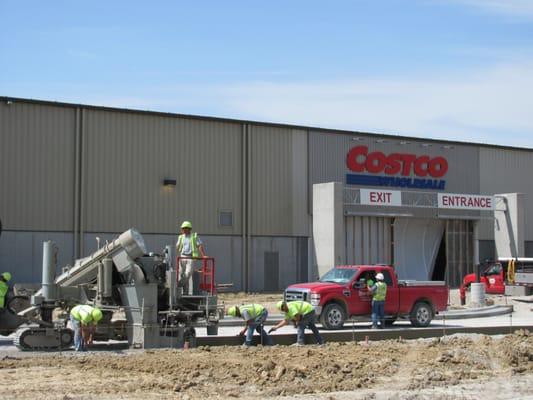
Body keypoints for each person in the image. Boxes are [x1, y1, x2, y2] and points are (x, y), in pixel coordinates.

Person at [176, 220, 207, 295]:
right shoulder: (181, 237)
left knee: (188, 273)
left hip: (190, 257)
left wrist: (203, 255)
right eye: (183, 228)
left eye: (186, 228)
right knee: (181, 274)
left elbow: (199, 245)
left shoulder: (194, 236)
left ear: (189, 229)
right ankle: (184, 292)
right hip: (182, 257)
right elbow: (177, 247)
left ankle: (177, 285)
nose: (184, 230)